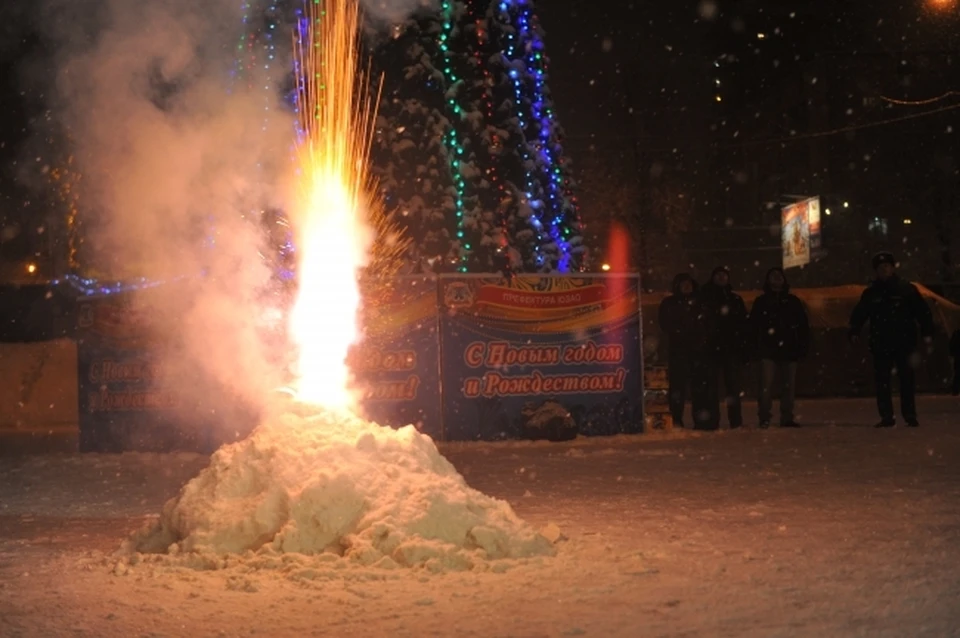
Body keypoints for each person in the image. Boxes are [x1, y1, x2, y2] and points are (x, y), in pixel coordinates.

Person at [849, 252, 935, 427]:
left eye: (887, 266)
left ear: (892, 268)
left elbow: (922, 312)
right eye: (881, 267)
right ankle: (887, 416)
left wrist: (927, 331)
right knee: (882, 381)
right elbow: (860, 314)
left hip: (904, 342)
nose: (884, 269)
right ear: (876, 271)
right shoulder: (872, 293)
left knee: (906, 380)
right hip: (881, 343)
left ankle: (909, 414)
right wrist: (854, 331)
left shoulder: (907, 289)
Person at [749, 267, 810, 428]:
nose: (776, 279)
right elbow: (753, 326)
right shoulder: (762, 302)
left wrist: (802, 346)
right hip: (768, 350)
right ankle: (765, 417)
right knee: (766, 387)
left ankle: (785, 417)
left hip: (788, 350)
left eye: (779, 276)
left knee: (787, 387)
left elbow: (802, 325)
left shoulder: (792, 301)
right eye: (773, 276)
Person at [658, 273, 711, 429]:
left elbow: (708, 323)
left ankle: (700, 420)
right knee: (678, 388)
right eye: (683, 284)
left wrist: (701, 339)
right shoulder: (670, 303)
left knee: (698, 388)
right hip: (679, 351)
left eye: (688, 284)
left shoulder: (700, 303)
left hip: (697, 351)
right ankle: (676, 419)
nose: (686, 287)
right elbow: (665, 324)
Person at [699, 266, 748, 429]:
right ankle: (715, 420)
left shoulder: (733, 299)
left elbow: (742, 324)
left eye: (724, 275)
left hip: (729, 348)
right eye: (718, 275)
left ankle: (734, 420)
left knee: (731, 386)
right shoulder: (707, 298)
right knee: (714, 387)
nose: (721, 278)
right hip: (714, 348)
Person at [950, 328, 960, 396]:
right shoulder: (957, 334)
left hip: (958, 356)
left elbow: (952, 345)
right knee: (957, 373)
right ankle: (955, 390)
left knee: (957, 374)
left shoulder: (957, 333)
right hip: (958, 356)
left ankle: (955, 390)